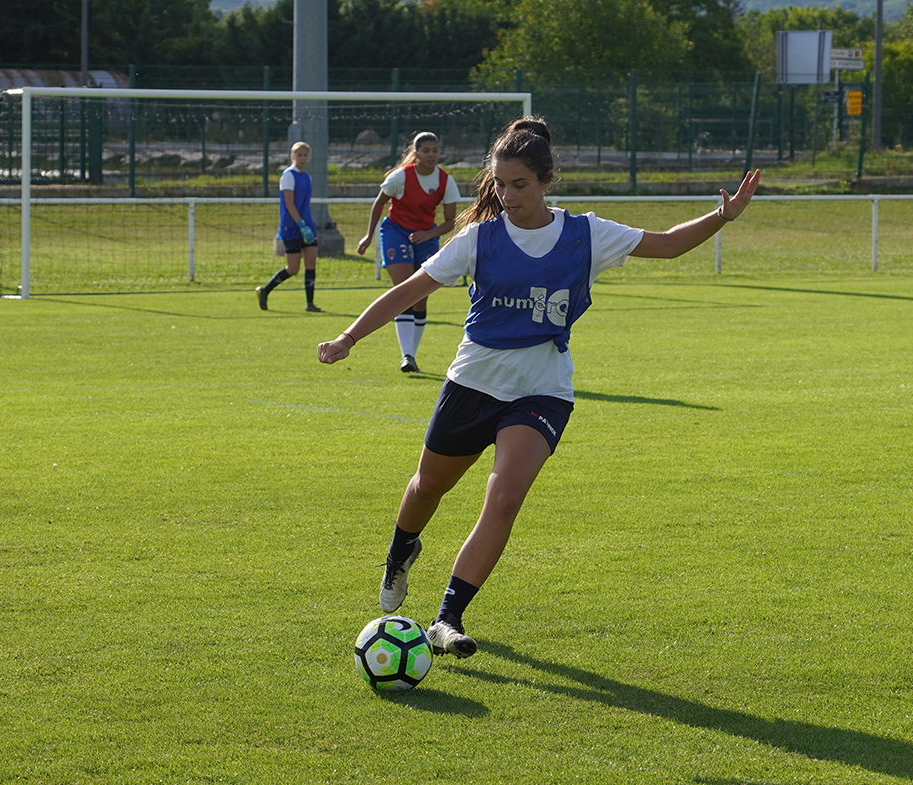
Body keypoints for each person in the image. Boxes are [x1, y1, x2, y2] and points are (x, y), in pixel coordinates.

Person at [318, 117, 760, 658]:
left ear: (547, 181)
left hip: (542, 390)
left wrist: (723, 215)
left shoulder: (586, 233)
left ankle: (447, 619)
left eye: (519, 184)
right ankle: (400, 553)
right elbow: (407, 290)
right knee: (428, 487)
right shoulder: (479, 238)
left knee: (503, 499)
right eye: (500, 184)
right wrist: (349, 337)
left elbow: (665, 245)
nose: (506, 195)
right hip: (473, 383)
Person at [356, 132, 462, 373]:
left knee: (421, 296)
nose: (431, 155)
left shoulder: (446, 181)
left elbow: (449, 222)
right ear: (416, 153)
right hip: (396, 231)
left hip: (426, 237)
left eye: (435, 150)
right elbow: (379, 203)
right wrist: (368, 235)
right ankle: (406, 356)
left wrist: (429, 235)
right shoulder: (400, 177)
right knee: (403, 288)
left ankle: (411, 354)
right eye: (426, 150)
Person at [257, 141, 323, 313]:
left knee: (311, 262)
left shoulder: (307, 177)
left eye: (305, 155)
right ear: (292, 157)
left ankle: (310, 304)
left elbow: (304, 204)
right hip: (291, 227)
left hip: (307, 225)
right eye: (298, 155)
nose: (302, 158)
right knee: (293, 269)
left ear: (309, 157)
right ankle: (265, 290)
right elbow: (289, 203)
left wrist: (307, 225)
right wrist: (300, 224)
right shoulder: (288, 175)